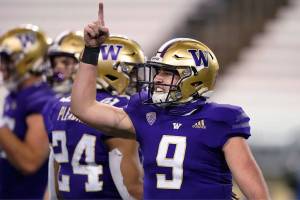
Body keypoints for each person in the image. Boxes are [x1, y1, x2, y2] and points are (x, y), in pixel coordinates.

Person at [71, 3, 270, 199]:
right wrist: (91, 50)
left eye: (167, 73)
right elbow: (83, 108)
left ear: (194, 77)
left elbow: (258, 195)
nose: (157, 78)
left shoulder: (220, 119)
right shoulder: (147, 112)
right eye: (158, 72)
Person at [43, 31, 144, 199]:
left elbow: (54, 177)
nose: (136, 81)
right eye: (132, 74)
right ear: (113, 73)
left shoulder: (59, 106)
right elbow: (131, 189)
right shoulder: (119, 109)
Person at [0, 24, 55, 198]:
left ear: (26, 60)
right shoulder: (15, 95)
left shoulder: (41, 101)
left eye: (7, 60)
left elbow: (30, 162)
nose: (2, 67)